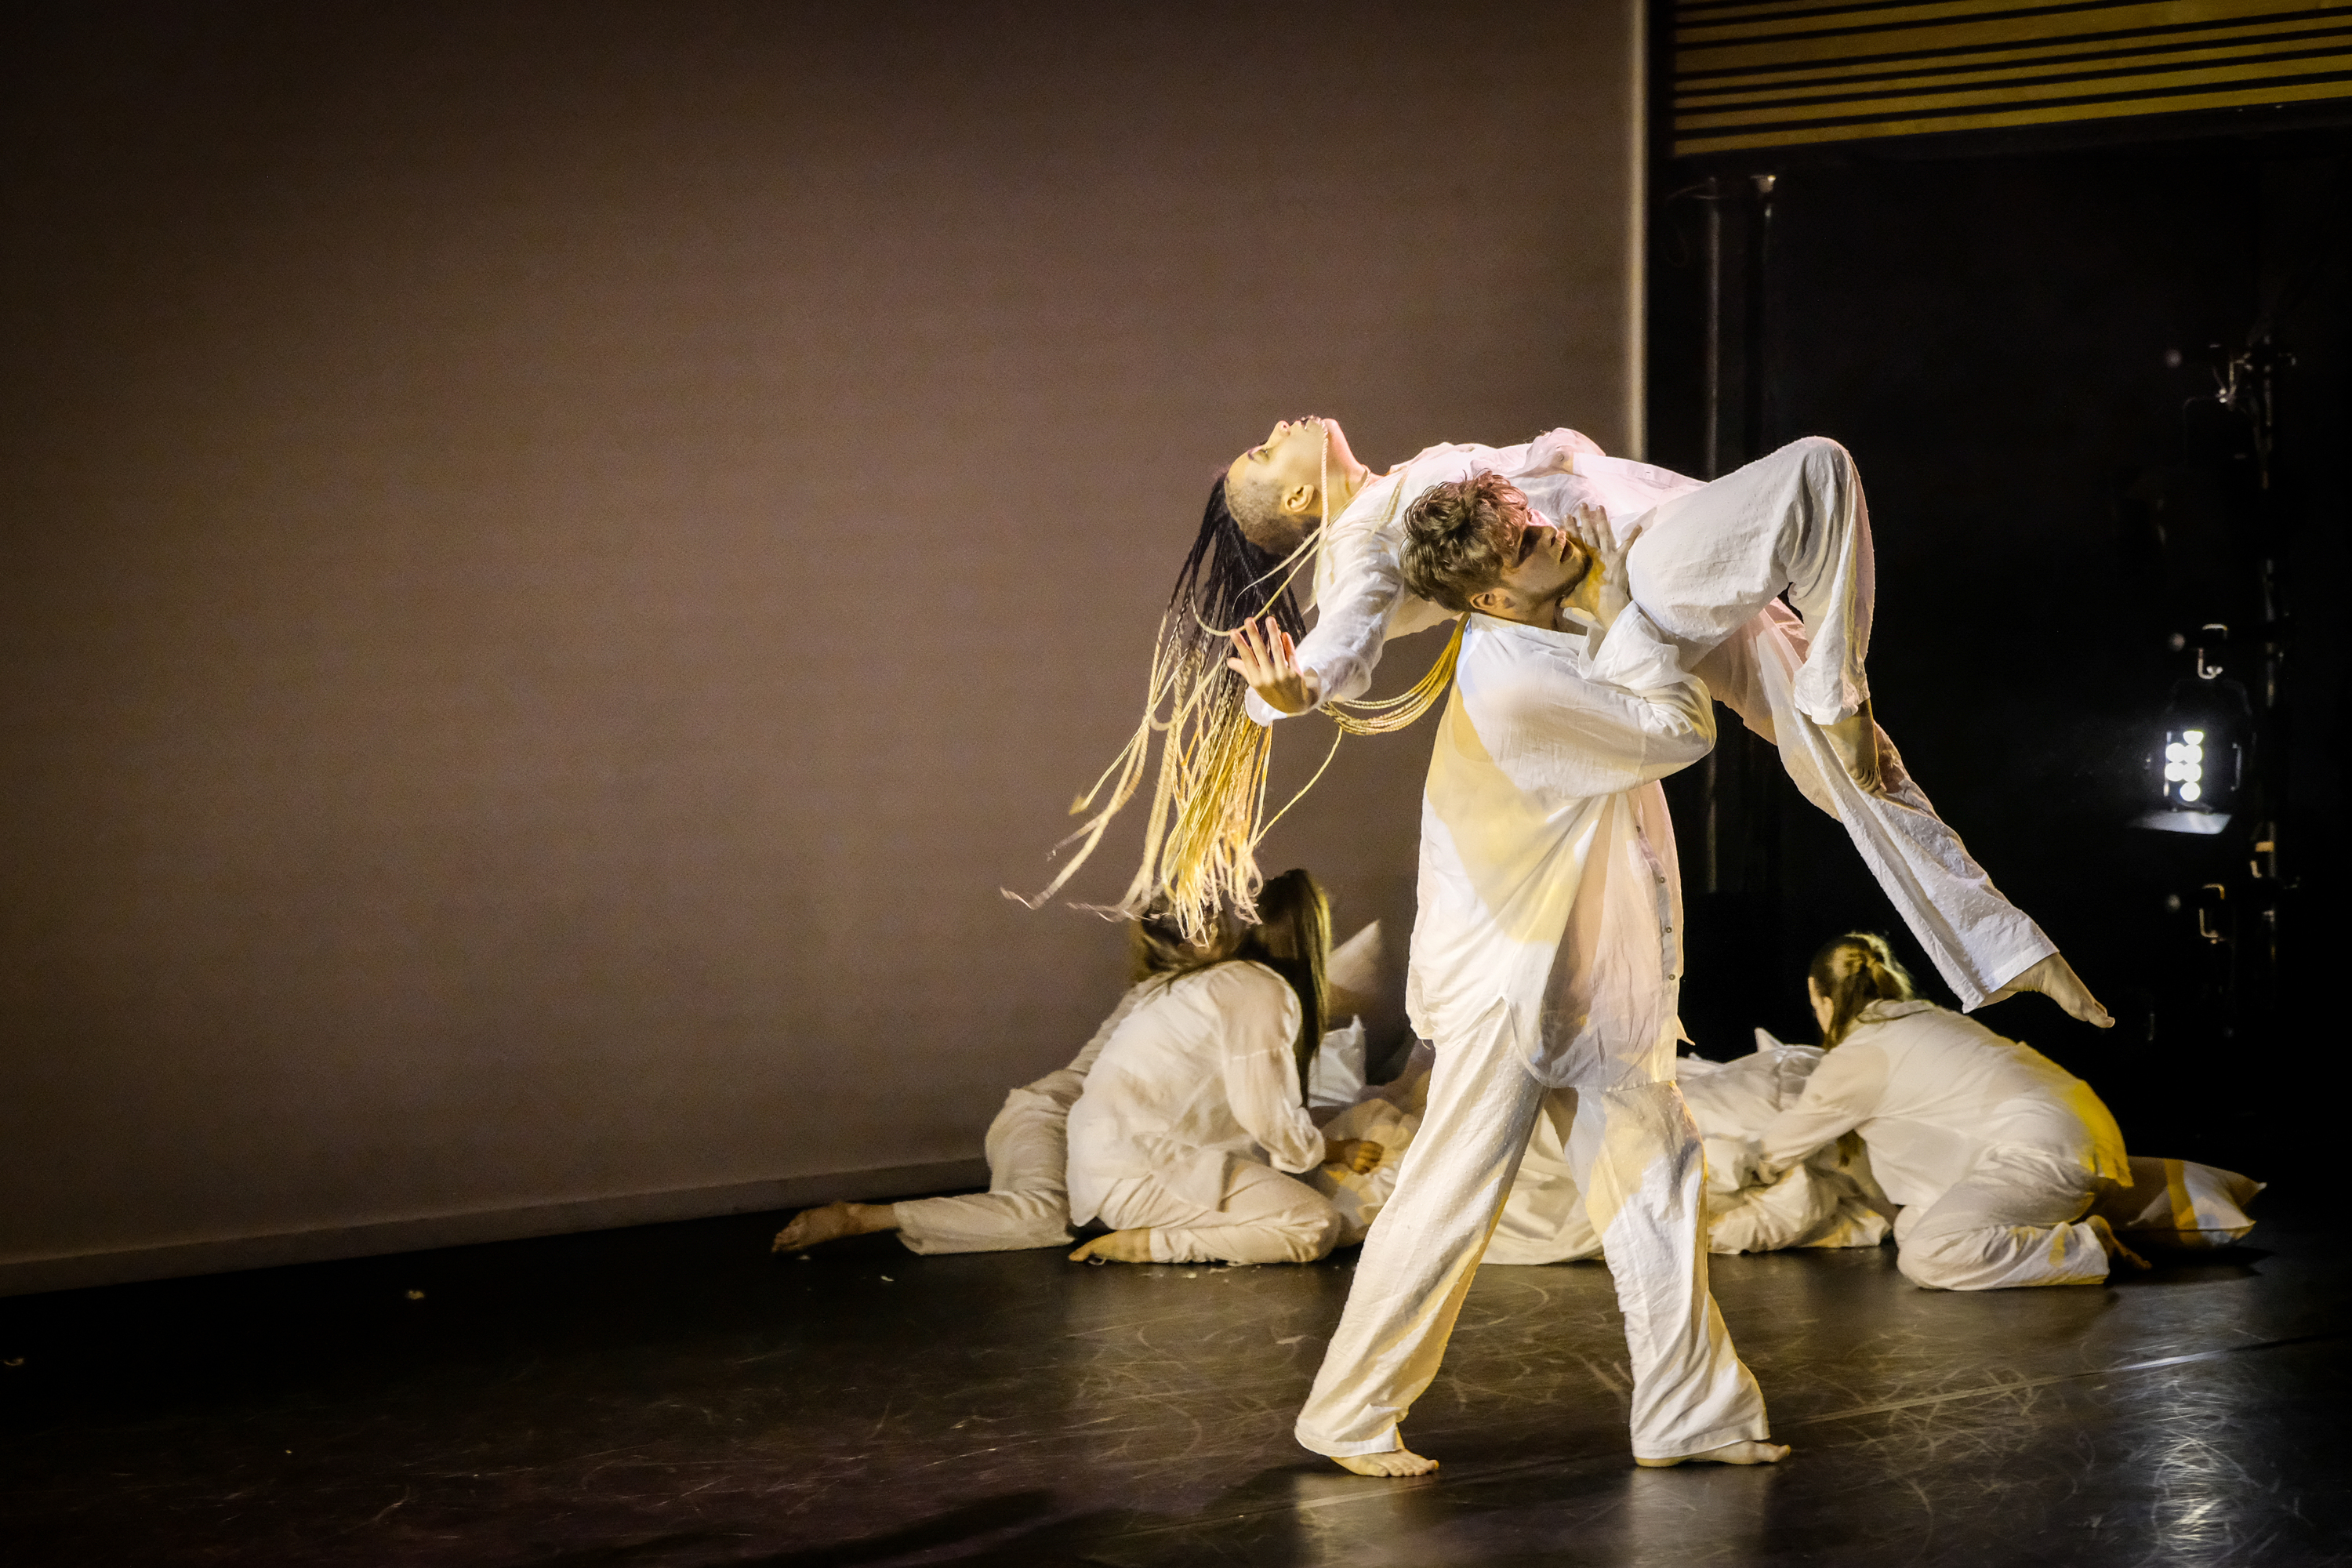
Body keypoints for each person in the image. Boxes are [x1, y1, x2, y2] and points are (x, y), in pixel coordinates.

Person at [1220, 416, 2110, 1026]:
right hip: (1642, 574)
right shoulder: (1362, 540)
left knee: (1858, 769)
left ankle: (2004, 949)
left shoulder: (1411, 474)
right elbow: (1344, 639)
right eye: (1267, 452)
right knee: (1818, 469)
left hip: (1678, 547)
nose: (1281, 427)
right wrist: (1289, 690)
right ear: (1300, 504)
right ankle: (1838, 690)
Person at [1291, 481, 1785, 1477]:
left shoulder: (1538, 636)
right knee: (1449, 1192)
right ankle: (1346, 1413)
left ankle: (1692, 1413)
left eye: (1530, 520)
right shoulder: (1516, 682)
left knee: (1658, 1179)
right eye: (1523, 543)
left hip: (1585, 970)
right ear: (1495, 597)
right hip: (1513, 983)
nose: (1549, 533)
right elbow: (1683, 731)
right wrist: (1628, 611)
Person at [1750, 932, 2145, 1290]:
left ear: (1818, 995)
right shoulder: (1929, 1018)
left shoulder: (1856, 1056)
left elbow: (1770, 1154)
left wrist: (1713, 1172)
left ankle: (2088, 1247)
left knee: (1927, 1255)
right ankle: (2061, 1227)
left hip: (2044, 1160)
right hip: (2092, 1140)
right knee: (1912, 1226)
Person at [1065, 868, 1385, 1267]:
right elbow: (1267, 1117)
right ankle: (1143, 1246)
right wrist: (1334, 1149)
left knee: (1320, 1205)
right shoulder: (1256, 989)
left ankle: (1150, 1231)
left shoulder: (1213, 983)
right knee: (1315, 1225)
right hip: (1140, 1172)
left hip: (1113, 1168)